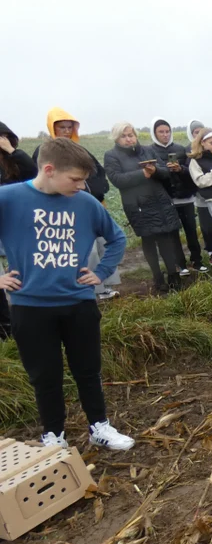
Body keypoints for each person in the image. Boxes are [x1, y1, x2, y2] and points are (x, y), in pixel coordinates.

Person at [0, 137, 135, 450]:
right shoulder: (9, 199)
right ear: (49, 170)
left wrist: (100, 274)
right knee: (45, 376)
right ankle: (54, 435)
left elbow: (117, 239)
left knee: (88, 370)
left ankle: (99, 426)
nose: (81, 185)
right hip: (30, 307)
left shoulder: (85, 203)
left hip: (78, 303)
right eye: (75, 179)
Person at [35, 107, 120, 300]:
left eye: (69, 127)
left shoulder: (81, 150)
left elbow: (98, 172)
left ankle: (106, 284)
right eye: (61, 127)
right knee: (86, 251)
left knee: (104, 243)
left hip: (96, 205)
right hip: (70, 208)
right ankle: (93, 288)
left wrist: (100, 189)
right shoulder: (45, 153)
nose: (66, 131)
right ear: (52, 128)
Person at [103, 122, 184, 293]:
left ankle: (173, 275)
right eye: (124, 136)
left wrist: (155, 171)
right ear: (116, 138)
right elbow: (117, 179)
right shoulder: (111, 156)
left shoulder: (148, 150)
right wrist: (142, 174)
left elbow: (165, 171)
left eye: (131, 135)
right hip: (138, 205)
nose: (128, 139)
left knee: (165, 239)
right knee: (148, 241)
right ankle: (158, 278)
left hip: (160, 202)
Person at [150, 117, 207, 274]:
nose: (165, 134)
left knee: (191, 231)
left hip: (186, 197)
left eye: (167, 131)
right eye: (161, 132)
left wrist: (180, 169)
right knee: (173, 234)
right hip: (168, 199)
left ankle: (197, 261)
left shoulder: (181, 149)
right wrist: (165, 171)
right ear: (154, 134)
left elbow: (192, 172)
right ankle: (180, 264)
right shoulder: (151, 151)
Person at [0, 121, 37, 338]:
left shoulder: (13, 162)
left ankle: (27, 317)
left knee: (21, 272)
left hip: (17, 225)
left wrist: (12, 152)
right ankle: (5, 330)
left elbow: (34, 173)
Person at [189, 119, 212, 262]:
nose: (198, 134)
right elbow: (195, 178)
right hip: (201, 196)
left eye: (201, 131)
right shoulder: (191, 154)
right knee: (206, 226)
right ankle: (211, 251)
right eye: (195, 132)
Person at [0, 121, 38, 186]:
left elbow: (33, 172)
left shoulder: (14, 159)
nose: (3, 141)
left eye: (5, 137)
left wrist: (11, 150)